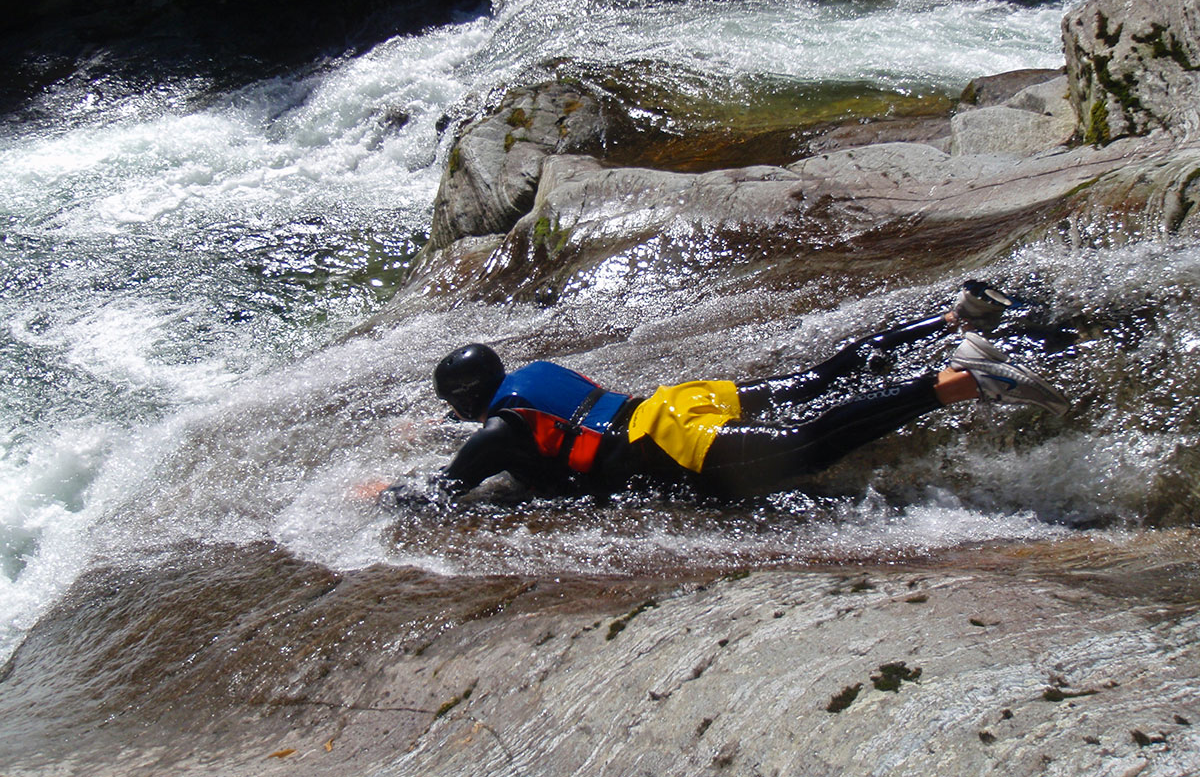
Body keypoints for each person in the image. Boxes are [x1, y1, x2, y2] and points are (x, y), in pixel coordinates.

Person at [386, 282, 1069, 504]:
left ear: (469, 400)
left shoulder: (498, 430)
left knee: (810, 444)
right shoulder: (530, 378)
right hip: (675, 401)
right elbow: (526, 427)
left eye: (455, 408)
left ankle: (960, 378)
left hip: (671, 438)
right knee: (817, 379)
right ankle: (951, 318)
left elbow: (444, 493)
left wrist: (383, 493)